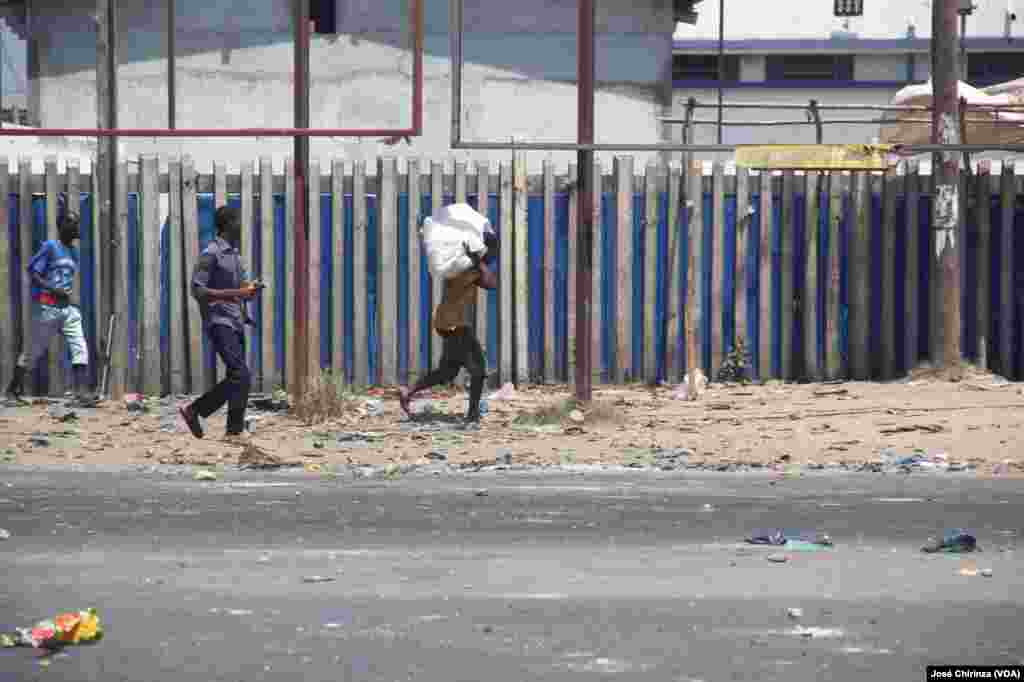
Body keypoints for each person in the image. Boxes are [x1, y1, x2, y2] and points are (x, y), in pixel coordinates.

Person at [178, 206, 262, 443]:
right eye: (237, 221)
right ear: (227, 224)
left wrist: (250, 292)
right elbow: (198, 290)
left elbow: (240, 292)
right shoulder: (211, 253)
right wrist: (238, 292)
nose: (241, 226)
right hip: (219, 321)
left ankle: (216, 423)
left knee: (240, 377)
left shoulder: (234, 256)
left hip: (235, 321)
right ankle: (214, 420)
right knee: (240, 373)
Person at [400, 234, 498, 423]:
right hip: (455, 325)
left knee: (448, 371)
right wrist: (477, 261)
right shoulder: (467, 269)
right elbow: (491, 283)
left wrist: (477, 261)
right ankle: (472, 414)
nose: (494, 255)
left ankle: (409, 392)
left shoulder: (462, 266)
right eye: (492, 250)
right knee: (478, 370)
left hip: (448, 323)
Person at [5, 211, 98, 407]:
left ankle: (81, 393)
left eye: (77, 224)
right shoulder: (50, 247)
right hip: (47, 307)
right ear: (62, 226)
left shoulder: (74, 252)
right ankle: (13, 390)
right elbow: (32, 271)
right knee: (32, 351)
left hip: (67, 309)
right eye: (72, 223)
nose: (76, 227)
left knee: (79, 345)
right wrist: (51, 288)